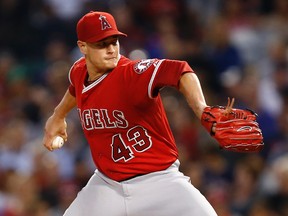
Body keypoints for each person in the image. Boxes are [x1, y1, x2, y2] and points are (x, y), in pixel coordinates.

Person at [42, 11, 218, 216]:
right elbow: (75, 89)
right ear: (83, 47)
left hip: (159, 181)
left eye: (114, 41)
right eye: (101, 44)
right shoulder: (79, 71)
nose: (111, 49)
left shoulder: (131, 73)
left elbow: (180, 71)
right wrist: (58, 115)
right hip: (107, 184)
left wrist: (201, 108)